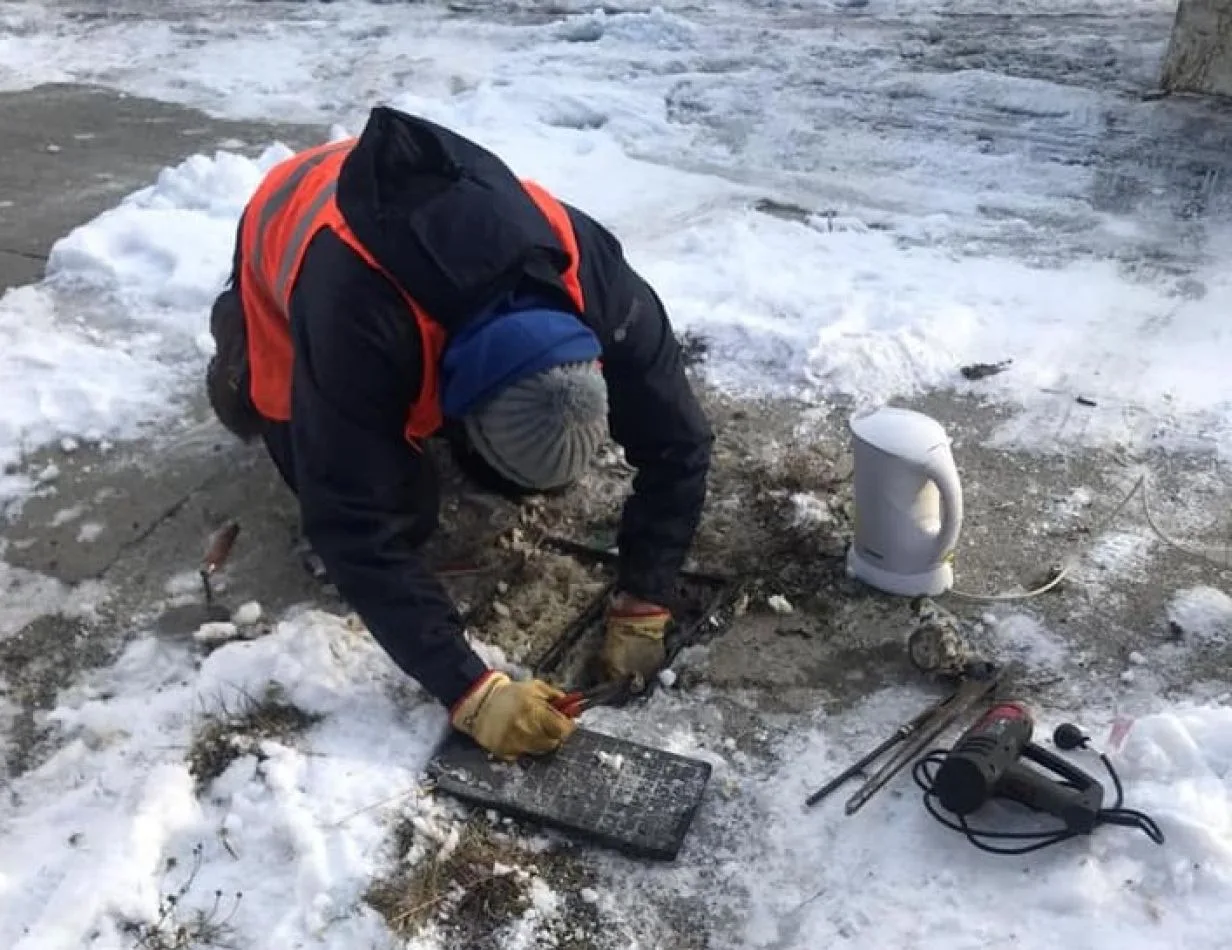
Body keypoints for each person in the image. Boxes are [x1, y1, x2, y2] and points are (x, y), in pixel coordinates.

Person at [204, 105, 713, 761]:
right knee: (381, 503)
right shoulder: (357, 324)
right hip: (297, 226)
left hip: (423, 223)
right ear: (457, 414)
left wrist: (649, 590)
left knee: (396, 483)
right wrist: (470, 690)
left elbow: (680, 442)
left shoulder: (600, 287)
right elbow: (351, 527)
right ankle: (233, 355)